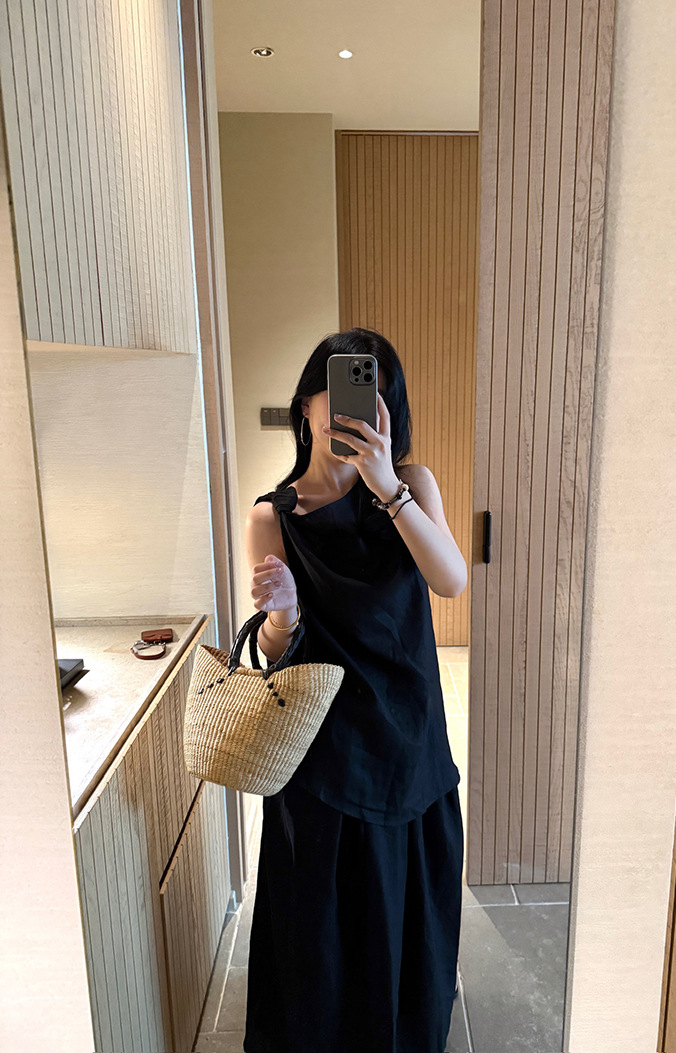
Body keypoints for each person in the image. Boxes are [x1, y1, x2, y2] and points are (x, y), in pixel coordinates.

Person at [242, 328, 467, 1053]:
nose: (352, 412)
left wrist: (386, 488)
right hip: (324, 754)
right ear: (307, 405)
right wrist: (281, 613)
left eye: (373, 398)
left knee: (405, 922)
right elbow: (278, 653)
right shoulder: (273, 515)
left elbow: (451, 581)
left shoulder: (411, 487)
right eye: (337, 394)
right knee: (325, 939)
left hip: (409, 739)